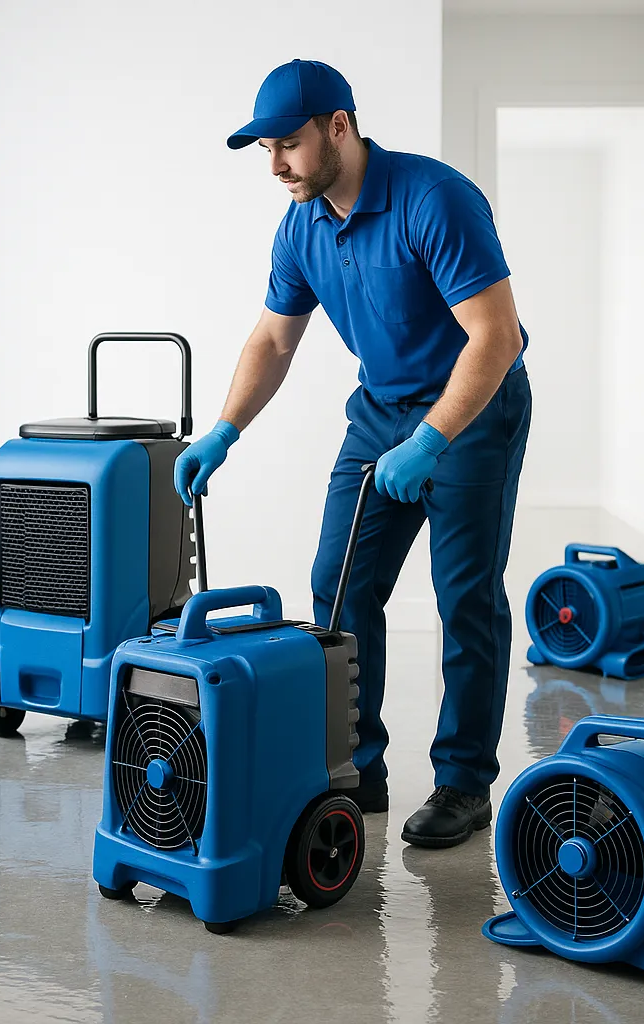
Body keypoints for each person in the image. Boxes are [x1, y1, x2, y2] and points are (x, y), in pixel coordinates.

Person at [174, 59, 532, 850]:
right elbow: (273, 337)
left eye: (289, 145)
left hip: (474, 405)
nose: (275, 167)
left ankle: (465, 782)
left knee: (464, 595)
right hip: (380, 412)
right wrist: (224, 429)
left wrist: (433, 439)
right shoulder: (301, 224)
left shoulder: (433, 199)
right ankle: (355, 765)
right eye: (266, 150)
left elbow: (496, 337)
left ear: (340, 126)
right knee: (337, 585)